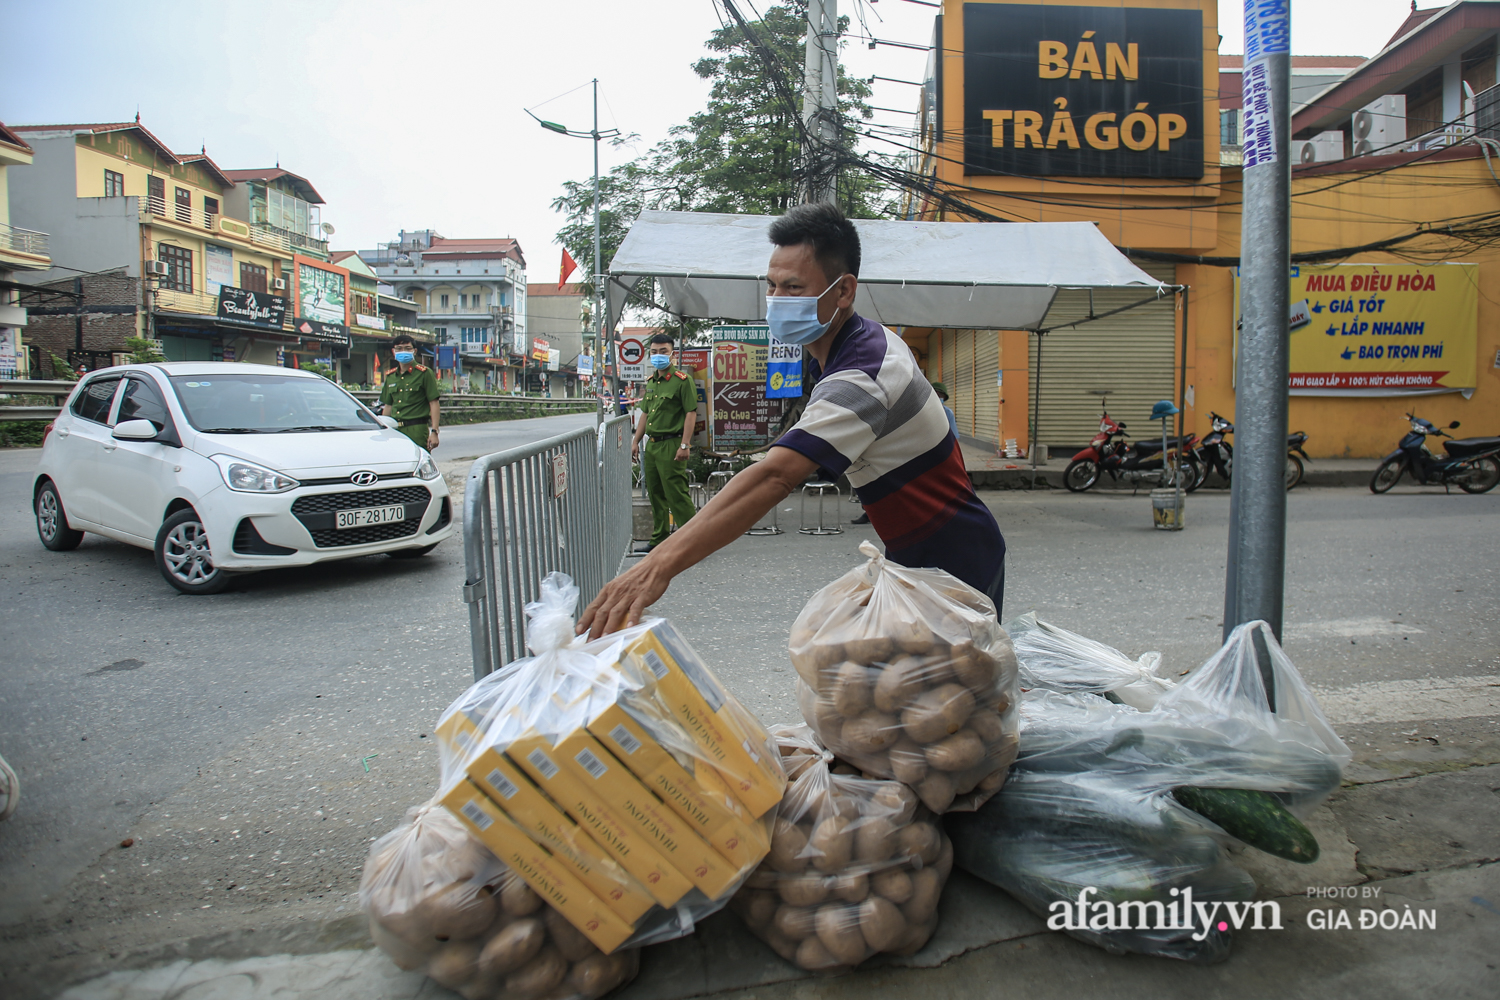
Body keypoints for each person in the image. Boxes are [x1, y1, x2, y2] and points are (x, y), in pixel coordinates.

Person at [580, 203, 1007, 638]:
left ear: (843, 292)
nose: (777, 301)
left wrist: (656, 567)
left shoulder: (863, 374)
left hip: (953, 562)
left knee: (939, 701)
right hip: (914, 554)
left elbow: (776, 477)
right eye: (772, 285)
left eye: (794, 288)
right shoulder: (850, 346)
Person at [630, 332, 698, 553]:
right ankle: (659, 539)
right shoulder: (651, 382)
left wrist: (685, 445)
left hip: (672, 443)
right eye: (654, 352)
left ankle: (694, 542)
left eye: (663, 352)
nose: (658, 356)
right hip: (653, 445)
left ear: (672, 354)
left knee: (676, 493)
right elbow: (645, 415)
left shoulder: (682, 380)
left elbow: (690, 413)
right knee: (656, 493)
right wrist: (635, 441)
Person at [378, 334, 442, 451]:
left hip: (416, 429)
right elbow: (388, 405)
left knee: (419, 464)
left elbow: (434, 403)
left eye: (407, 348)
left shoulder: (424, 373)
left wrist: (434, 431)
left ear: (414, 351)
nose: (403, 351)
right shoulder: (391, 376)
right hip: (395, 429)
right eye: (399, 348)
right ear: (393, 351)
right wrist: (383, 430)